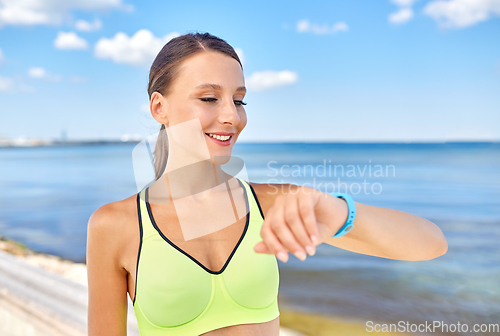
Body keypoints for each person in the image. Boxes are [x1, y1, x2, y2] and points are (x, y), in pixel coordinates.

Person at [86, 32, 448, 336]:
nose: (231, 115)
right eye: (209, 98)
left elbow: (431, 245)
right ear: (159, 108)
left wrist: (338, 211)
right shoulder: (115, 225)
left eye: (239, 100)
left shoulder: (274, 203)